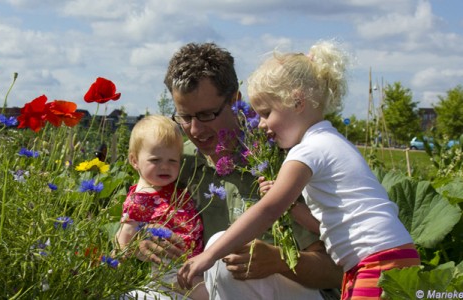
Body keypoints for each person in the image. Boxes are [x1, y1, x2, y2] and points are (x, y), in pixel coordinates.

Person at [177, 41, 420, 300]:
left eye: (267, 113)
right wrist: (293, 206)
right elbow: (325, 225)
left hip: (374, 260)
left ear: (297, 102)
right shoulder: (333, 141)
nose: (260, 125)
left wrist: (209, 256)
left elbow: (268, 209)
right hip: (388, 254)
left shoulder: (306, 151)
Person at [129, 42, 343, 300]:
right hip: (205, 291)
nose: (195, 130)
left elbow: (337, 272)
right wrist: (141, 242)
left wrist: (279, 261)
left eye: (207, 114)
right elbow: (133, 215)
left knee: (222, 256)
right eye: (185, 117)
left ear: (234, 100)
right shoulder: (175, 162)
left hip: (296, 293)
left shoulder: (283, 163)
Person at [116, 115, 208, 299]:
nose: (165, 167)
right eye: (155, 160)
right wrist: (117, 261)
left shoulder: (171, 189)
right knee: (209, 293)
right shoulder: (140, 199)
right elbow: (123, 240)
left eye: (172, 161)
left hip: (191, 262)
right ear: (134, 161)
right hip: (167, 267)